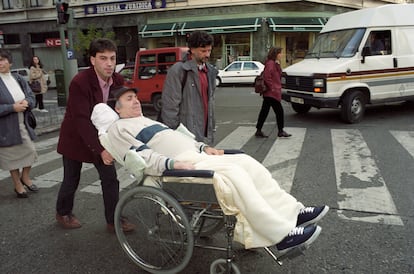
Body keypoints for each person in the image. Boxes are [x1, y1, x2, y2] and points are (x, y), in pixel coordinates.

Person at [92, 86, 329, 254]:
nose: (135, 101)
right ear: (118, 109)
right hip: (178, 166)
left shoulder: (151, 120)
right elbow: (141, 156)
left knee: (247, 162)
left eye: (135, 97)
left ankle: (293, 212)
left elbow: (180, 138)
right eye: (128, 99)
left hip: (195, 155)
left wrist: (205, 147)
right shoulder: (119, 129)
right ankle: (281, 236)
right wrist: (171, 164)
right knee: (235, 176)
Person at [55, 38, 135, 233]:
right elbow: (81, 120)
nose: (109, 63)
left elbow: (123, 109)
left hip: (102, 136)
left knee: (110, 179)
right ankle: (63, 212)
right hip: (76, 136)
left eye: (112, 58)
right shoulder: (80, 83)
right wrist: (100, 150)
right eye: (103, 58)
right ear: (92, 60)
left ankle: (113, 219)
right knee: (71, 179)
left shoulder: (117, 80)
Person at [161, 30, 218, 145]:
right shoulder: (178, 71)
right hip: (185, 134)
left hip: (205, 133)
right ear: (192, 49)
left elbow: (210, 102)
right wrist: (173, 133)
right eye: (203, 51)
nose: (207, 54)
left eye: (209, 50)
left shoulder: (210, 71)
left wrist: (212, 126)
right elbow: (170, 106)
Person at [0, 49, 39, 198]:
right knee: (12, 158)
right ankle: (18, 185)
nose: (1, 63)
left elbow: (30, 96)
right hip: (6, 126)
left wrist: (27, 102)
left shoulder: (18, 78)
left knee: (30, 151)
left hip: (23, 122)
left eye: (3, 59)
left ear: (10, 62)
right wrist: (12, 107)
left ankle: (25, 177)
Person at [255, 47, 291, 138]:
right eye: (280, 53)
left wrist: (278, 64)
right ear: (276, 54)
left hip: (270, 92)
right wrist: (272, 88)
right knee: (279, 111)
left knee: (264, 111)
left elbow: (279, 74)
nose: (281, 55)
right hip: (272, 93)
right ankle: (280, 131)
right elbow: (267, 77)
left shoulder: (273, 63)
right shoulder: (271, 63)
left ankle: (258, 130)